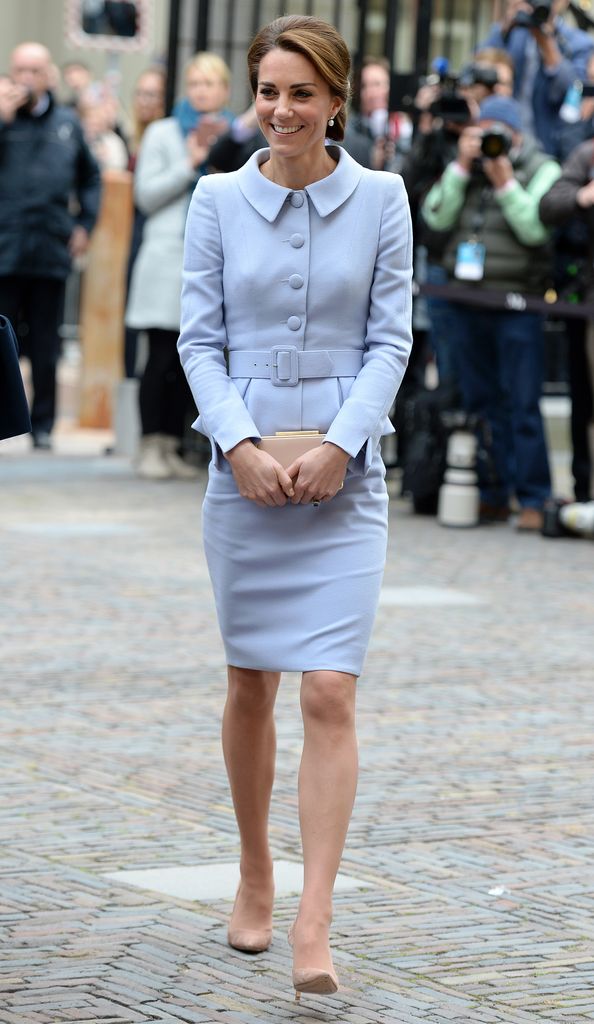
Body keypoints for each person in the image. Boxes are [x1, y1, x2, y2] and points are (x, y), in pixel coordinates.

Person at [178, 14, 412, 1000]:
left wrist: (340, 445)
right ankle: (255, 869)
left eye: (300, 94)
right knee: (250, 684)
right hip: (243, 476)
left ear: (336, 98)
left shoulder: (386, 198)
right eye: (268, 91)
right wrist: (236, 443)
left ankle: (315, 912)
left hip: (343, 482)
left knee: (329, 688)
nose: (280, 111)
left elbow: (391, 339)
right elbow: (199, 340)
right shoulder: (215, 199)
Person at [421, 95, 560, 530]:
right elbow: (435, 219)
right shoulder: (469, 167)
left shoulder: (542, 169)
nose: (492, 144)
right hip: (468, 301)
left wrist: (505, 183)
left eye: (501, 135)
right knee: (481, 402)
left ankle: (534, 497)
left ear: (518, 134)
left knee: (522, 403)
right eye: (484, 135)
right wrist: (461, 169)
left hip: (519, 303)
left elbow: (535, 229)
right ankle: (493, 491)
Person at [126, 52, 233, 479]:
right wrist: (189, 163)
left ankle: (171, 445)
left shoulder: (234, 135)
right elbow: (145, 195)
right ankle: (148, 444)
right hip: (165, 258)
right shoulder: (164, 133)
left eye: (210, 84)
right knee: (158, 355)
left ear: (225, 91)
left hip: (209, 259)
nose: (202, 92)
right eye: (195, 84)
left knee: (189, 359)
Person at [0, 42, 101, 450]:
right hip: (4, 250)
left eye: (35, 71)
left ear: (49, 76)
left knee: (46, 343)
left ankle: (42, 425)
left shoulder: (66, 124)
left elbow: (90, 178)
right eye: (20, 70)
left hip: (49, 249)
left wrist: (85, 224)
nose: (27, 79)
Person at [539, 137, 594, 500]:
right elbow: (549, 206)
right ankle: (583, 490)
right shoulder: (587, 154)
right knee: (584, 401)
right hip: (586, 304)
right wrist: (583, 196)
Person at [481, 0, 594, 157]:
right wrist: (505, 27)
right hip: (501, 140)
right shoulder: (511, 33)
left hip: (551, 149)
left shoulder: (581, 43)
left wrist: (547, 43)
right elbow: (478, 70)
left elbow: (575, 95)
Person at [123, 67, 166, 379]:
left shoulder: (167, 137)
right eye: (140, 93)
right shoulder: (131, 136)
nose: (144, 101)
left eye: (152, 94)